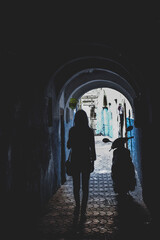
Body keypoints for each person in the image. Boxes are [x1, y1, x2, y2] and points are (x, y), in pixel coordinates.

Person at [67, 109, 96, 218]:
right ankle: (83, 207)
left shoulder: (72, 130)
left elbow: (68, 145)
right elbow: (92, 147)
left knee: (76, 184)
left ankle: (77, 204)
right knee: (85, 186)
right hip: (86, 160)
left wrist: (73, 142)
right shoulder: (89, 131)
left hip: (75, 159)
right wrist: (93, 161)